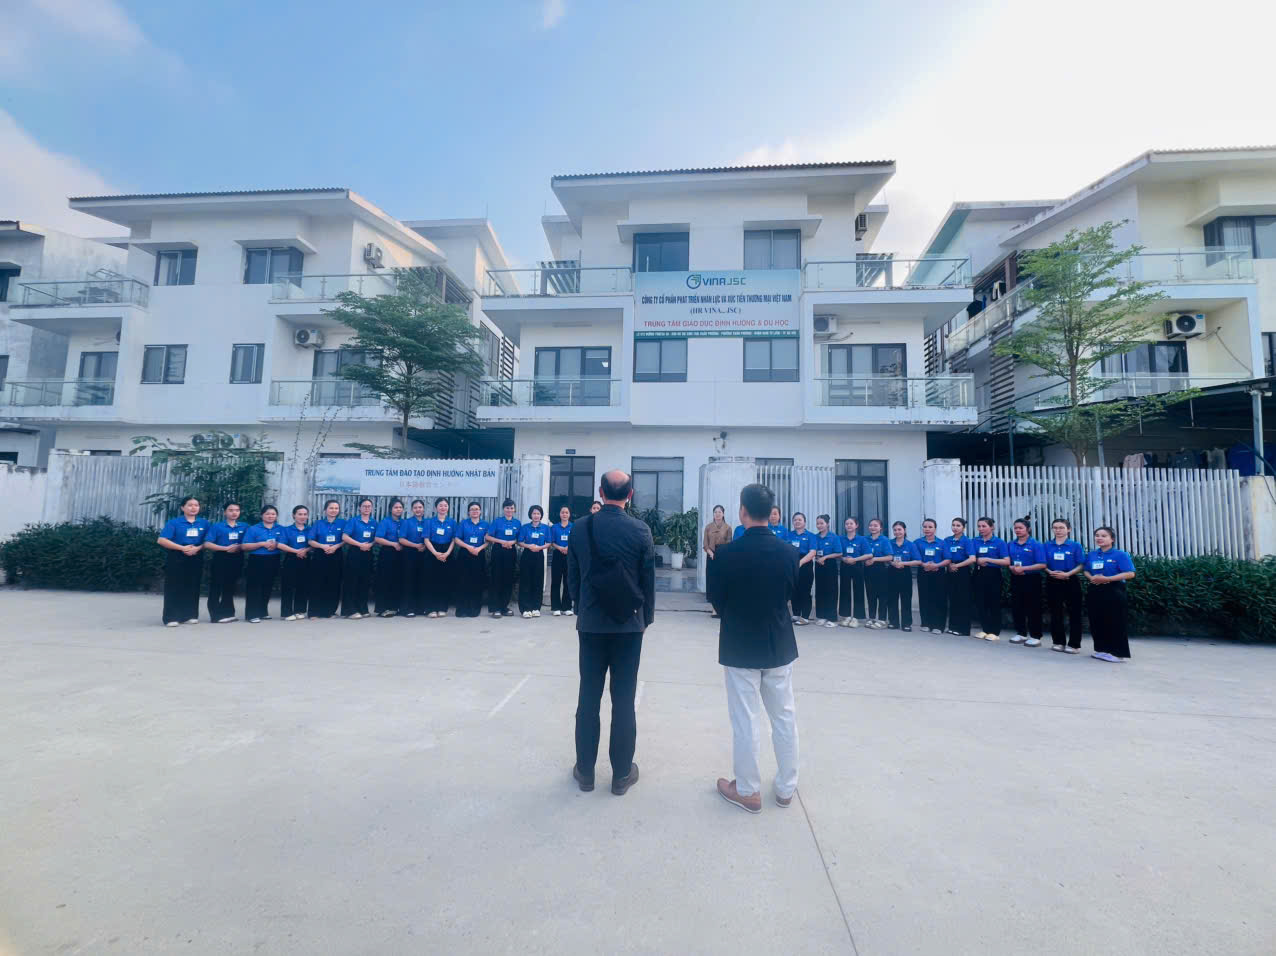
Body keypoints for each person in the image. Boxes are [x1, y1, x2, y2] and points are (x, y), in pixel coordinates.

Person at [714, 482, 800, 814]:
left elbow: (717, 601)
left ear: (742, 512)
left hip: (739, 645)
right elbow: (790, 593)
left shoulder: (726, 554)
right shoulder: (789, 552)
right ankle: (786, 788)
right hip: (778, 644)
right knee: (784, 716)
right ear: (771, 513)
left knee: (746, 720)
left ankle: (748, 790)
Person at [567, 469, 655, 797]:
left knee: (588, 697)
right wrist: (645, 619)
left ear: (600, 492)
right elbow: (648, 581)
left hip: (591, 624)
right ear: (630, 495)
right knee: (623, 699)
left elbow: (572, 577)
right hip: (629, 626)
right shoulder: (640, 530)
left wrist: (581, 608)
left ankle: (585, 773)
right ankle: (621, 775)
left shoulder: (580, 528)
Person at [1084, 526, 1136, 662]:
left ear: (1112, 539)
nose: (1099, 538)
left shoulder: (1120, 555)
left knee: (1115, 621)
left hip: (1114, 589)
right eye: (1097, 535)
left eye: (1104, 536)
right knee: (1097, 620)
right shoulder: (1092, 555)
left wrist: (1108, 579)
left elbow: (1130, 573)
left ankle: (1118, 653)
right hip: (1095, 589)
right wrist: (1092, 578)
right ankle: (1102, 649)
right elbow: (1086, 570)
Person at [157, 496, 209, 627]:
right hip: (177, 555)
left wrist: (198, 548)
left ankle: (190, 615)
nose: (193, 508)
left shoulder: (204, 523)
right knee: (174, 585)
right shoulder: (174, 523)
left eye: (196, 505)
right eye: (190, 505)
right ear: (182, 508)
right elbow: (162, 540)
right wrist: (182, 548)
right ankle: (171, 617)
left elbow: (209, 541)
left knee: (193, 585)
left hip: (196, 555)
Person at [1045, 518, 1085, 654]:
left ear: (1068, 529)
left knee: (1074, 612)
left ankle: (1074, 644)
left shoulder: (1075, 546)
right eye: (1055, 527)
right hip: (1052, 579)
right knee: (1055, 612)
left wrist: (1068, 574)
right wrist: (1049, 572)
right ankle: (1058, 641)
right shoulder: (1047, 545)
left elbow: (1081, 564)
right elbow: (1042, 563)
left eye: (1061, 527)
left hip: (1070, 580)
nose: (1058, 530)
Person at [241, 505, 284, 623]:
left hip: (274, 559)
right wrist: (261, 544)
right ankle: (251, 614)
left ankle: (263, 611)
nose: (270, 516)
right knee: (254, 586)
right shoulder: (253, 529)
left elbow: (284, 543)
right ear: (262, 515)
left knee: (268, 586)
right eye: (267, 514)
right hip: (257, 559)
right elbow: (244, 546)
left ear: (276, 516)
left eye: (273, 514)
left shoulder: (280, 528)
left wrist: (276, 545)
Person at [1007, 517, 1047, 646]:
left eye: (1020, 528)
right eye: (1015, 528)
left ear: (1028, 529)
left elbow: (1042, 564)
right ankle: (1021, 633)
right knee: (1017, 605)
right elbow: (1008, 561)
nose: (1017, 530)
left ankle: (1036, 635)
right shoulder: (1011, 544)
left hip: (1032, 578)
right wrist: (1012, 568)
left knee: (1033, 607)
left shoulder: (1036, 544)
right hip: (1016, 577)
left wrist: (1023, 569)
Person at [204, 502, 245, 623]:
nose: (234, 513)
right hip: (221, 557)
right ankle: (215, 615)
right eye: (231, 510)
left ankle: (228, 612)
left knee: (230, 586)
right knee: (216, 585)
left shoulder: (244, 526)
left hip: (237, 558)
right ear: (225, 512)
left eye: (237, 510)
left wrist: (239, 547)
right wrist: (225, 548)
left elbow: (249, 541)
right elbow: (207, 543)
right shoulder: (217, 526)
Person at [307, 500, 345, 620]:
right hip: (320, 554)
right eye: (331, 508)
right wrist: (322, 546)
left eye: (336, 508)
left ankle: (329, 611)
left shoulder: (342, 523)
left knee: (333, 583)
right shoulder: (318, 523)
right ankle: (314, 612)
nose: (334, 510)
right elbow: (310, 540)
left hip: (336, 554)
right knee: (317, 582)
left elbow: (345, 539)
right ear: (325, 510)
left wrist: (335, 547)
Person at [973, 517, 1010, 640]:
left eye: (984, 526)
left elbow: (1006, 561)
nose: (981, 529)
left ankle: (994, 632)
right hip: (978, 573)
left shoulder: (999, 542)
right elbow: (970, 556)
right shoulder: (975, 541)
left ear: (992, 527)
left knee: (993, 603)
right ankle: (985, 629)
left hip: (993, 574)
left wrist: (988, 559)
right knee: (980, 603)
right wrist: (977, 560)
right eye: (979, 526)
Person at [341, 498, 377, 620]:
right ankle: (350, 610)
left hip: (368, 553)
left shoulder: (374, 522)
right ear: (359, 508)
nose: (367, 508)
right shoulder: (353, 521)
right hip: (355, 553)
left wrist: (370, 545)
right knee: (352, 581)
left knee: (364, 581)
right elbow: (345, 536)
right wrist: (359, 544)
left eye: (369, 506)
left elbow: (376, 538)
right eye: (364, 506)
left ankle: (362, 608)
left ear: (372, 508)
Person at [453, 502, 489, 619]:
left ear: (480, 511)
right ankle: (462, 608)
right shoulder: (463, 523)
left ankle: (474, 608)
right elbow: (457, 539)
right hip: (465, 554)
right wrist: (468, 547)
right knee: (463, 581)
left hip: (479, 554)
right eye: (472, 509)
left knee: (476, 581)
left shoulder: (485, 524)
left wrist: (479, 548)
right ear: (469, 512)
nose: (475, 511)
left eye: (477, 509)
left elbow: (488, 540)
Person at [486, 499, 521, 618]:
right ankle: (494, 608)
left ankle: (504, 607)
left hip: (511, 551)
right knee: (496, 578)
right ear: (503, 509)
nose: (509, 510)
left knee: (508, 579)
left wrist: (512, 542)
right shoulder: (497, 521)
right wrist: (502, 541)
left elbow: (519, 539)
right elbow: (488, 537)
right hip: (498, 551)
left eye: (511, 508)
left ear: (514, 510)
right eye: (507, 508)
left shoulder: (517, 523)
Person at [277, 505, 312, 621]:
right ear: (294, 515)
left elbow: (313, 543)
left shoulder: (310, 529)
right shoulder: (287, 530)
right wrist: (296, 551)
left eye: (305, 514)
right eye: (300, 514)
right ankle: (286, 612)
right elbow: (280, 544)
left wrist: (305, 550)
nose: (302, 517)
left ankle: (299, 610)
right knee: (288, 585)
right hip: (291, 558)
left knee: (303, 585)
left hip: (306, 558)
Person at [914, 519, 950, 633]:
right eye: (925, 527)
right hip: (923, 572)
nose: (927, 529)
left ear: (935, 528)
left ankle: (938, 626)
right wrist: (924, 564)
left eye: (930, 527)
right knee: (924, 597)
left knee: (939, 599)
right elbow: (915, 557)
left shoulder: (942, 543)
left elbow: (948, 559)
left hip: (938, 573)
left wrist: (936, 565)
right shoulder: (917, 542)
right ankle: (925, 623)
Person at [424, 497, 457, 618]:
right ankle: (431, 608)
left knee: (444, 581)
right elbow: (426, 539)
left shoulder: (452, 522)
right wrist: (435, 553)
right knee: (431, 581)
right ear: (436, 507)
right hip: (432, 551)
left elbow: (454, 539)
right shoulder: (429, 522)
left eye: (445, 505)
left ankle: (442, 607)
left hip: (447, 552)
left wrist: (447, 553)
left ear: (448, 508)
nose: (443, 508)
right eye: (440, 505)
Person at [373, 499, 405, 617]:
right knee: (385, 580)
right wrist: (393, 544)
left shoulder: (403, 522)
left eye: (400, 507)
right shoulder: (385, 522)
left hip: (400, 554)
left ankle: (394, 607)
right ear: (391, 509)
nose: (398, 509)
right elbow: (378, 538)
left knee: (396, 580)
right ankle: (382, 609)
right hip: (387, 553)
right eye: (396, 507)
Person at [886, 521, 920, 631]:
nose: (897, 532)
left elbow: (918, 561)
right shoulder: (889, 543)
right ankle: (893, 622)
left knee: (906, 599)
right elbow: (886, 557)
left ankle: (906, 624)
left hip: (905, 573)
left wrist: (903, 563)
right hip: (891, 572)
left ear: (904, 530)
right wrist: (892, 563)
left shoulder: (910, 545)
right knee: (892, 598)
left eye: (899, 529)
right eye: (895, 530)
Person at [944, 518, 975, 636]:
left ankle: (963, 629)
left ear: (963, 528)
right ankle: (952, 626)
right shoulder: (947, 540)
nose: (955, 527)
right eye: (953, 525)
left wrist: (957, 565)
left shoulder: (967, 541)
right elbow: (944, 556)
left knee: (963, 600)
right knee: (953, 599)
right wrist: (949, 565)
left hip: (962, 571)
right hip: (950, 570)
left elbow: (972, 558)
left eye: (958, 525)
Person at [398, 500, 428, 618]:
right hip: (409, 554)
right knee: (409, 581)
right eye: (415, 507)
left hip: (424, 554)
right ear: (412, 510)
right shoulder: (407, 522)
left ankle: (420, 608)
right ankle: (407, 609)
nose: (418, 509)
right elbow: (401, 539)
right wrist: (416, 546)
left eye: (420, 507)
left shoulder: (427, 522)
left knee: (422, 580)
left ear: (423, 509)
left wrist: (424, 546)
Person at [517, 506, 549, 618]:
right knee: (526, 581)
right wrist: (529, 546)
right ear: (530, 515)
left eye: (538, 513)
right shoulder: (525, 527)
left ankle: (536, 607)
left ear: (541, 515)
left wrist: (540, 547)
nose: (536, 516)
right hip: (527, 554)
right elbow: (520, 541)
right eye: (534, 513)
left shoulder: (545, 528)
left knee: (538, 581)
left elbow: (549, 542)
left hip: (539, 555)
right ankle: (525, 608)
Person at [838, 517, 869, 627]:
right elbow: (838, 553)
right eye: (847, 523)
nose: (849, 525)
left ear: (856, 525)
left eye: (851, 523)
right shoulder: (841, 539)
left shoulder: (862, 539)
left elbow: (869, 554)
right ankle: (845, 616)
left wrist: (855, 559)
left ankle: (856, 617)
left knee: (858, 591)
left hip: (857, 566)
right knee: (844, 590)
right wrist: (843, 559)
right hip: (845, 565)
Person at [703, 504, 732, 617]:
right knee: (712, 581)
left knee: (721, 581)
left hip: (723, 555)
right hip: (711, 555)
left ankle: (721, 607)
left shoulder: (728, 528)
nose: (717, 514)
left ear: (723, 514)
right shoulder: (708, 527)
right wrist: (711, 554)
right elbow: (705, 544)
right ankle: (714, 608)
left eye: (719, 512)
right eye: (715, 512)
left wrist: (721, 555)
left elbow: (729, 543)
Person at [812, 515, 841, 627]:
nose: (819, 525)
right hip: (819, 564)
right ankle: (822, 616)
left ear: (827, 524)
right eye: (817, 523)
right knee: (820, 590)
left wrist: (826, 557)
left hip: (830, 565)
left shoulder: (834, 537)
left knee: (831, 590)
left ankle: (832, 618)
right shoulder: (815, 537)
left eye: (821, 523)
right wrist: (817, 558)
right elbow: (813, 550)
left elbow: (839, 553)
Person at [863, 518, 892, 629]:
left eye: (875, 525)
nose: (873, 527)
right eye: (871, 525)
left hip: (881, 570)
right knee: (871, 595)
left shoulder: (884, 540)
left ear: (881, 528)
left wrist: (874, 559)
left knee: (882, 595)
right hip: (867, 570)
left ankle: (882, 619)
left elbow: (889, 557)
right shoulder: (865, 539)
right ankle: (871, 618)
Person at [548, 506, 574, 616]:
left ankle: (567, 607)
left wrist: (568, 547)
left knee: (568, 581)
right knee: (556, 581)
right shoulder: (554, 527)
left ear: (569, 514)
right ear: (560, 514)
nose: (564, 514)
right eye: (562, 512)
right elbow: (551, 541)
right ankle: (556, 607)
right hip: (557, 554)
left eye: (566, 512)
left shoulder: (573, 526)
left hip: (569, 555)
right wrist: (559, 547)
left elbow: (575, 541)